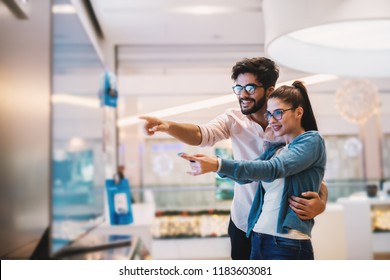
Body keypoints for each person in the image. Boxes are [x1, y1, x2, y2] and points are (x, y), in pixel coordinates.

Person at [140, 57, 328, 260]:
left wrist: (322, 203)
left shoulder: (290, 129)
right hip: (244, 222)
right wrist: (168, 126)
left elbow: (305, 174)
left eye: (249, 87)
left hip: (280, 230)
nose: (243, 95)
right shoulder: (233, 118)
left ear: (270, 90)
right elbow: (202, 134)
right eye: (238, 88)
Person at [180, 81, 326, 260]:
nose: (272, 120)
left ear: (299, 112)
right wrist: (211, 166)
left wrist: (219, 164)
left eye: (278, 113)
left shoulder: (312, 141)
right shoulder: (276, 149)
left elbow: (273, 169)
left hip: (288, 243)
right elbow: (245, 178)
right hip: (258, 238)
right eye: (269, 114)